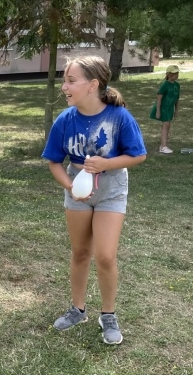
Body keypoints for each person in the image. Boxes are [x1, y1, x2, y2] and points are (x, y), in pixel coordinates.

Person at [41, 55, 147, 345]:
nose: (65, 86)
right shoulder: (65, 120)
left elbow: (138, 154)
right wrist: (71, 185)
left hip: (111, 188)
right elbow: (53, 162)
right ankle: (77, 310)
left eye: (71, 80)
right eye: (65, 80)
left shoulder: (119, 117)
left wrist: (105, 164)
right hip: (78, 187)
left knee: (105, 255)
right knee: (80, 253)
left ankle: (108, 315)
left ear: (93, 85)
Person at [150, 65, 180, 154]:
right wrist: (158, 111)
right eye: (175, 73)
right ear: (169, 74)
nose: (177, 75)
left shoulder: (177, 85)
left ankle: (163, 144)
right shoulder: (165, 84)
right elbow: (159, 98)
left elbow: (177, 99)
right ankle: (163, 146)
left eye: (177, 73)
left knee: (167, 126)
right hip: (163, 108)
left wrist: (176, 110)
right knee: (165, 126)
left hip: (170, 108)